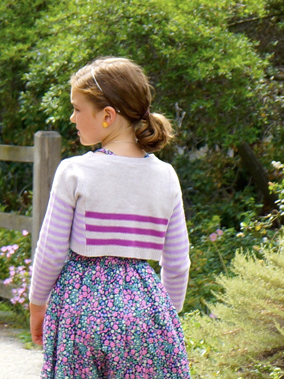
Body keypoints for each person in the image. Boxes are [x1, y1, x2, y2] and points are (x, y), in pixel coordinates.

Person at [27, 57, 191, 378]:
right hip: (146, 311)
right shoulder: (166, 176)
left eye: (77, 108)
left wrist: (37, 306)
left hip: (80, 309)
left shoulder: (75, 171)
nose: (71, 117)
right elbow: (178, 262)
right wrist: (165, 316)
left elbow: (51, 253)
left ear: (107, 115)